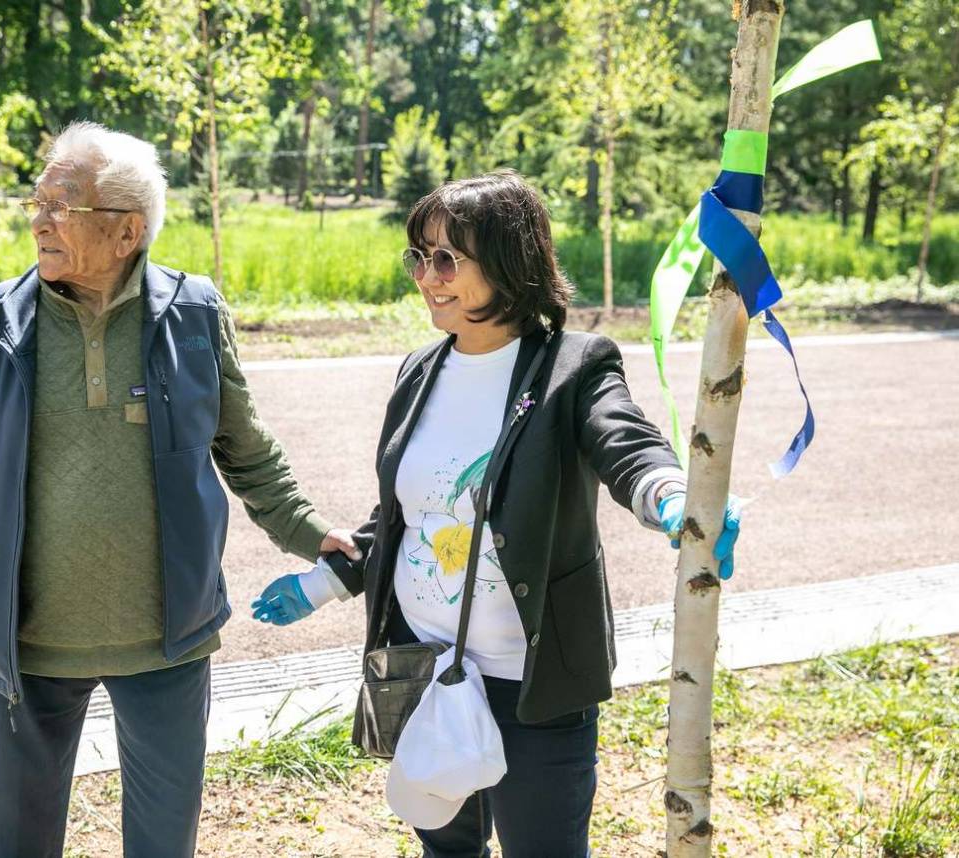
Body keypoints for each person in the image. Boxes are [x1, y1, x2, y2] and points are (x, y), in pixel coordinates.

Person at [252, 171, 740, 857]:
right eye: (418, 257)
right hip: (425, 667)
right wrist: (322, 582)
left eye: (447, 258)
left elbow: (625, 441)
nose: (427, 276)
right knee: (447, 849)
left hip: (532, 684)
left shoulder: (573, 366)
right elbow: (406, 512)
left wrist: (671, 497)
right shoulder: (418, 370)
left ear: (510, 261)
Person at [0, 120, 357, 858]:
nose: (39, 221)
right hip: (27, 641)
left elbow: (243, 446)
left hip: (169, 639)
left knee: (163, 842)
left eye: (61, 205)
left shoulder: (193, 315)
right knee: (10, 841)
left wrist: (309, 531)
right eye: (37, 202)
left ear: (127, 232)